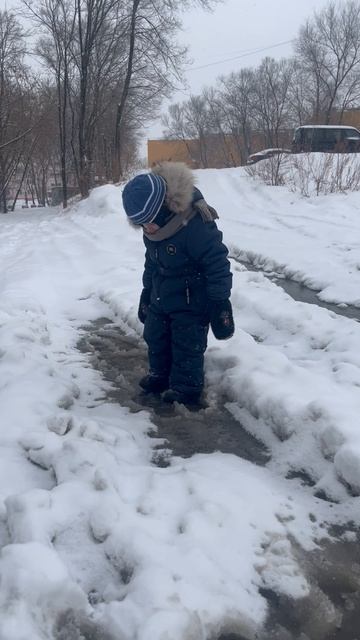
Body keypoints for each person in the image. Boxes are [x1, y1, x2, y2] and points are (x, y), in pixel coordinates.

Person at [122, 161, 234, 405]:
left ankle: (186, 388)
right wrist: (147, 290)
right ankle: (159, 375)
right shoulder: (153, 229)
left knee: (186, 342)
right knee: (155, 334)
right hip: (162, 293)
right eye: (141, 224)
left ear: (163, 207)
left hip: (191, 297)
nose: (147, 228)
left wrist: (220, 301)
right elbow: (151, 260)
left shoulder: (193, 222)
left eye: (149, 220)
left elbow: (217, 261)